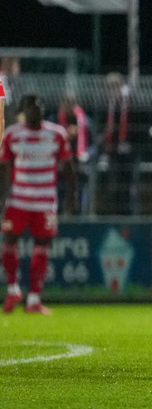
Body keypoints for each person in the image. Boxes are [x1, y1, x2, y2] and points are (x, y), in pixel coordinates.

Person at [1, 95, 77, 314]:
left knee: (42, 245)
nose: (38, 110)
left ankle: (34, 298)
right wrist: (1, 201)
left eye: (41, 106)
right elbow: (3, 171)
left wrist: (72, 197)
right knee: (8, 242)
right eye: (33, 107)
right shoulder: (12, 135)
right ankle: (13, 288)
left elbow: (69, 168)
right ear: (24, 110)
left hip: (46, 202)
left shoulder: (56, 134)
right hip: (18, 200)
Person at [95, 72, 137, 215]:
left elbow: (138, 126)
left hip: (127, 151)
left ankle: (127, 213)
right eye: (109, 87)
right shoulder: (105, 103)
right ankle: (108, 212)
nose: (112, 90)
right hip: (109, 151)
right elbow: (101, 125)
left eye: (114, 86)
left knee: (127, 185)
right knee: (109, 184)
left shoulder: (130, 102)